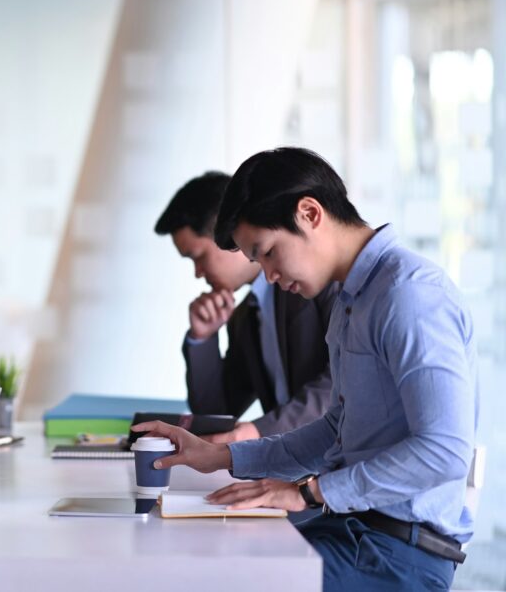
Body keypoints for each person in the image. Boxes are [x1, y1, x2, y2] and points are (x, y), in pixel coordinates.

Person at [136, 148, 477, 591]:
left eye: (269, 252)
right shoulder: (353, 301)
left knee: (219, 577)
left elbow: (445, 452)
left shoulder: (409, 296)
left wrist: (308, 492)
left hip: (396, 555)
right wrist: (221, 457)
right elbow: (336, 428)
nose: (271, 276)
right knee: (198, 557)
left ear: (310, 213)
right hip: (354, 533)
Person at [155, 171, 335, 441]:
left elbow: (341, 387)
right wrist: (202, 338)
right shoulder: (246, 315)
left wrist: (256, 432)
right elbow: (215, 413)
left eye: (199, 256)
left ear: (228, 233)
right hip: (287, 467)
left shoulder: (318, 282)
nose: (198, 273)